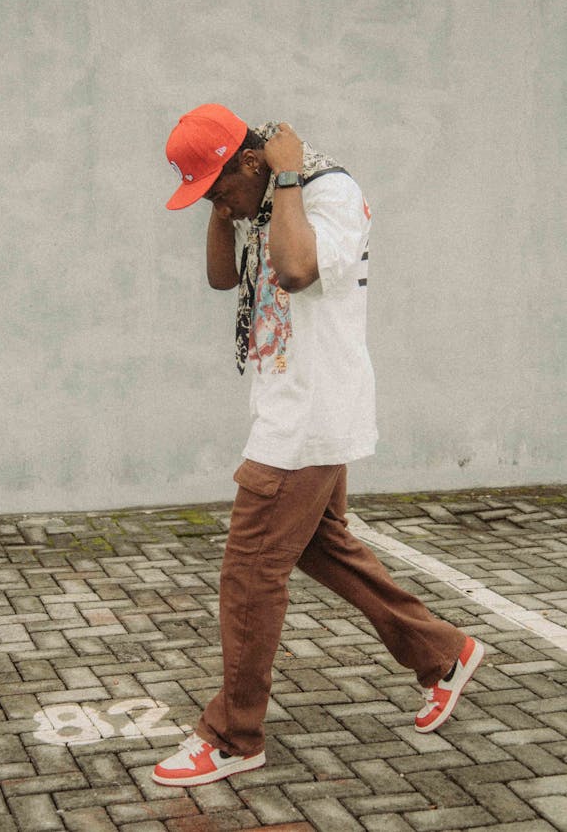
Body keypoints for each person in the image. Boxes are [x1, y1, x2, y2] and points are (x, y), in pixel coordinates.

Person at [152, 103, 484, 788]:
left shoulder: (325, 191)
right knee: (319, 547)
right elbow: (223, 280)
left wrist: (289, 179)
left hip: (306, 419)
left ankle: (234, 734)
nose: (219, 202)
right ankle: (442, 653)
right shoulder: (260, 197)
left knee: (249, 575)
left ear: (251, 161)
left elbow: (299, 271)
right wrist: (224, 211)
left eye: (218, 188)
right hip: (287, 405)